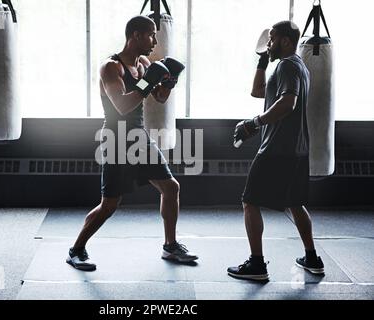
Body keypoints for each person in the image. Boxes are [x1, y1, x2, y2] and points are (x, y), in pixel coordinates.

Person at [66, 15, 198, 271]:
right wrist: (150, 81)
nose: (155, 41)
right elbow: (123, 105)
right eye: (151, 35)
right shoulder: (110, 67)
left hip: (139, 137)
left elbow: (158, 98)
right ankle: (77, 249)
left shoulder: (146, 63)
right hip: (116, 139)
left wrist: (169, 83)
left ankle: (170, 246)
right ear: (135, 35)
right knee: (109, 205)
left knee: (171, 188)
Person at [228, 21, 325, 281]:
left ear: (284, 40)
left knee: (250, 202)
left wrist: (254, 123)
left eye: (271, 40)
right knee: (295, 203)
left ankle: (257, 264)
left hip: (277, 149)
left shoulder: (287, 65)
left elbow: (288, 103)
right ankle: (312, 257)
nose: (268, 44)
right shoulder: (297, 66)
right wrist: (261, 61)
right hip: (297, 150)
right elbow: (257, 91)